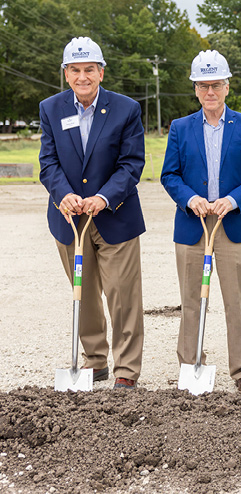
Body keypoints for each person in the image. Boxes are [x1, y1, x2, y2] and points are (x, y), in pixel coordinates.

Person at [161, 50, 241, 394]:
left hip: (233, 224)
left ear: (227, 87)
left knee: (238, 301)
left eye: (217, 85)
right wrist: (189, 198)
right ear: (195, 89)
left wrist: (234, 199)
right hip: (194, 223)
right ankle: (191, 364)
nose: (210, 92)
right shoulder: (180, 128)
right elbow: (170, 174)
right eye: (204, 86)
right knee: (191, 299)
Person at [39, 36, 146, 389]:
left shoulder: (126, 109)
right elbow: (48, 162)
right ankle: (95, 361)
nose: (82, 76)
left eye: (89, 69)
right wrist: (63, 194)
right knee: (82, 294)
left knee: (122, 296)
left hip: (115, 216)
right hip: (69, 219)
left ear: (101, 72)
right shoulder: (51, 109)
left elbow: (132, 164)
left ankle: (126, 369)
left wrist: (103, 197)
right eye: (74, 70)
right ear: (65, 74)